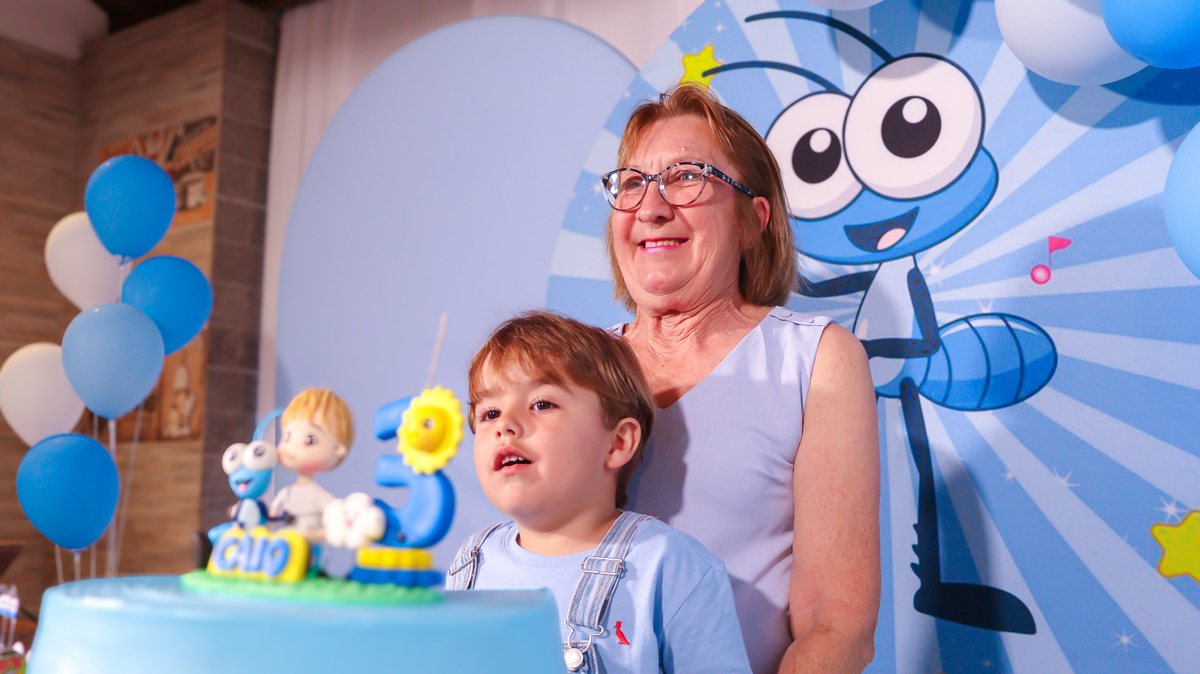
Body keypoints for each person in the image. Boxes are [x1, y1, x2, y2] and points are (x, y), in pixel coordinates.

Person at [601, 84, 881, 673]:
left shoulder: (815, 360)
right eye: (632, 183)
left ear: (754, 219)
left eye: (686, 176)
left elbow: (837, 626)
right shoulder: (575, 365)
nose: (650, 208)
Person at [446, 311, 751, 674]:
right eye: (490, 413)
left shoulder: (666, 566)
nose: (505, 426)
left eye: (542, 404)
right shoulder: (471, 562)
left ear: (617, 443)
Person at [269, 388, 354, 543]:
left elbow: (336, 527)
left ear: (336, 449)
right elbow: (271, 519)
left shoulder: (320, 497)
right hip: (283, 549)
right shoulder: (286, 494)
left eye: (310, 440)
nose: (291, 447)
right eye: (288, 436)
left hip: (307, 552)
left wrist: (313, 535)